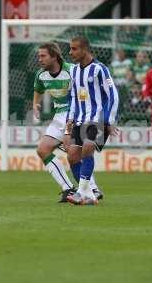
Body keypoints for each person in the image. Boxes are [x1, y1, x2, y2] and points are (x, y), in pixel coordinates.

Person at [33, 42, 103, 202]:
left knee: (74, 152)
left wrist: (69, 128)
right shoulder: (40, 75)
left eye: (43, 56)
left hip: (76, 113)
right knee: (43, 149)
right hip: (60, 115)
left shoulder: (72, 70)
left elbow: (82, 94)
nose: (40, 59)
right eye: (39, 56)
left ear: (54, 56)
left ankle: (91, 190)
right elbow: (38, 89)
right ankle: (68, 189)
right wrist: (35, 104)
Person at [65, 36, 119, 205]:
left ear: (85, 50)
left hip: (98, 118)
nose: (70, 52)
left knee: (88, 148)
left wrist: (109, 121)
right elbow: (73, 96)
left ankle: (80, 193)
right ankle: (90, 195)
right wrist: (70, 118)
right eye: (70, 48)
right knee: (73, 156)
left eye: (74, 49)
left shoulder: (99, 69)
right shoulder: (73, 70)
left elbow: (113, 95)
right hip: (80, 119)